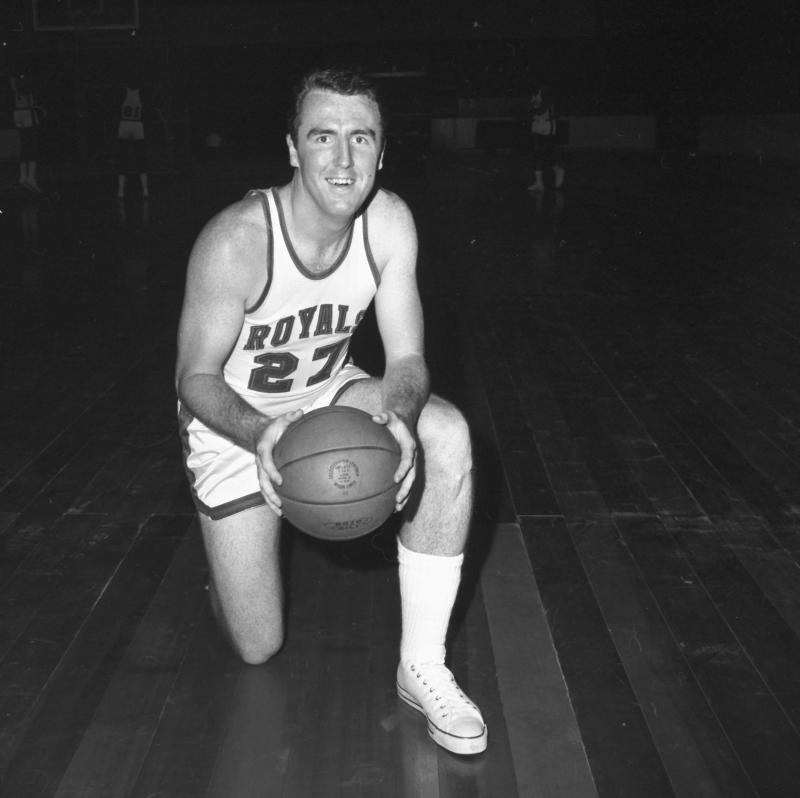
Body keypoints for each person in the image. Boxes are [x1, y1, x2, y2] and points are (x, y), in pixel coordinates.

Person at [175, 67, 486, 756]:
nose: (343, 160)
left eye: (361, 138)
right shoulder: (236, 241)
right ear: (292, 149)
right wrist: (260, 433)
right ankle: (223, 584)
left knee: (446, 432)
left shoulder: (390, 223)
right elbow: (194, 378)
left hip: (327, 388)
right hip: (236, 422)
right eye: (323, 137)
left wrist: (401, 420)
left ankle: (423, 666)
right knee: (258, 647)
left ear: (383, 152)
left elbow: (405, 362)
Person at [527, 84, 565, 192]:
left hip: (548, 125)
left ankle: (558, 170)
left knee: (546, 153)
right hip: (537, 124)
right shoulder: (532, 93)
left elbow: (544, 108)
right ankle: (539, 183)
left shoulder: (546, 91)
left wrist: (534, 112)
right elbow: (530, 107)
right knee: (537, 152)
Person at [10, 71, 43, 194]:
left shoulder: (14, 81)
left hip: (17, 114)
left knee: (25, 146)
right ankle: (30, 177)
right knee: (33, 145)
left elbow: (13, 85)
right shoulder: (28, 82)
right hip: (27, 112)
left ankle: (23, 177)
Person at [116, 81, 149, 200]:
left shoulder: (123, 92)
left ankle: (120, 192)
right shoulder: (141, 93)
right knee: (141, 158)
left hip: (125, 123)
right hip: (137, 124)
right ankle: (145, 190)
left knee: (123, 159)